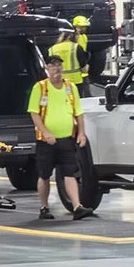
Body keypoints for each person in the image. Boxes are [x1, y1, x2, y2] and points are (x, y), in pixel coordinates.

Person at [26, 53, 92, 221]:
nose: (57, 69)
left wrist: (82, 133)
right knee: (45, 175)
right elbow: (34, 114)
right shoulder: (40, 88)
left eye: (59, 66)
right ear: (47, 68)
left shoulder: (70, 87)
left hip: (67, 139)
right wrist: (46, 132)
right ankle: (44, 207)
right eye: (53, 66)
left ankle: (77, 207)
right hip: (46, 141)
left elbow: (79, 112)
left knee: (69, 173)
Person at [50, 15, 91, 84]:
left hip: (61, 79)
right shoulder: (75, 46)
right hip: (75, 79)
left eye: (85, 27)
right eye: (81, 27)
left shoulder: (52, 49)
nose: (84, 28)